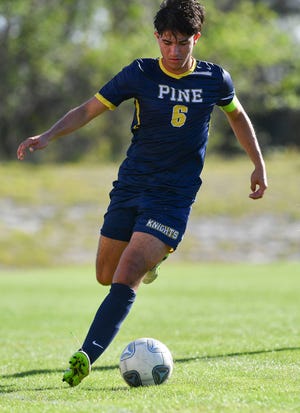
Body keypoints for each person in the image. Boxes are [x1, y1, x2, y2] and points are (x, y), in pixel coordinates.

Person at [17, 0, 267, 387]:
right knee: (106, 275)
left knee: (128, 272)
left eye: (182, 42)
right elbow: (89, 108)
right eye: (166, 41)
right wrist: (48, 134)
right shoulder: (139, 73)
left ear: (195, 39)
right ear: (157, 38)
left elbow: (236, 114)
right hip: (132, 184)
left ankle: (86, 353)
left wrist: (258, 164)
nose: (173, 51)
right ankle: (152, 260)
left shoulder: (215, 80)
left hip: (173, 195)